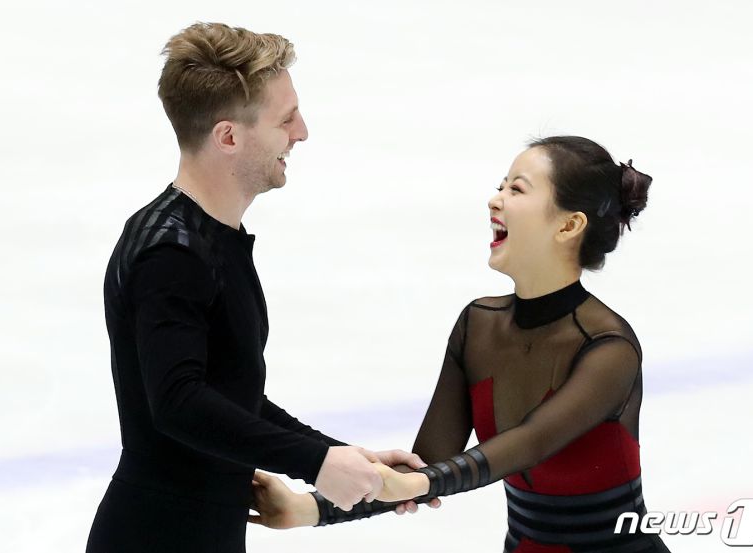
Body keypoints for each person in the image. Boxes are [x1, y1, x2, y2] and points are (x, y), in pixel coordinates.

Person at [85, 22, 426, 553]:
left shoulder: (213, 238)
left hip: (200, 532)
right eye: (286, 119)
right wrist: (316, 462)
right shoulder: (171, 253)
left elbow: (231, 397)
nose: (303, 132)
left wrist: (346, 457)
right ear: (228, 136)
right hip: (157, 535)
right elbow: (177, 401)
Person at [250, 136, 672, 552]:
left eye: (517, 189)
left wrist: (419, 482)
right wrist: (306, 509)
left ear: (568, 225)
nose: (495, 200)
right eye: (500, 185)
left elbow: (530, 443)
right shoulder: (479, 326)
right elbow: (427, 467)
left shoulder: (607, 345)